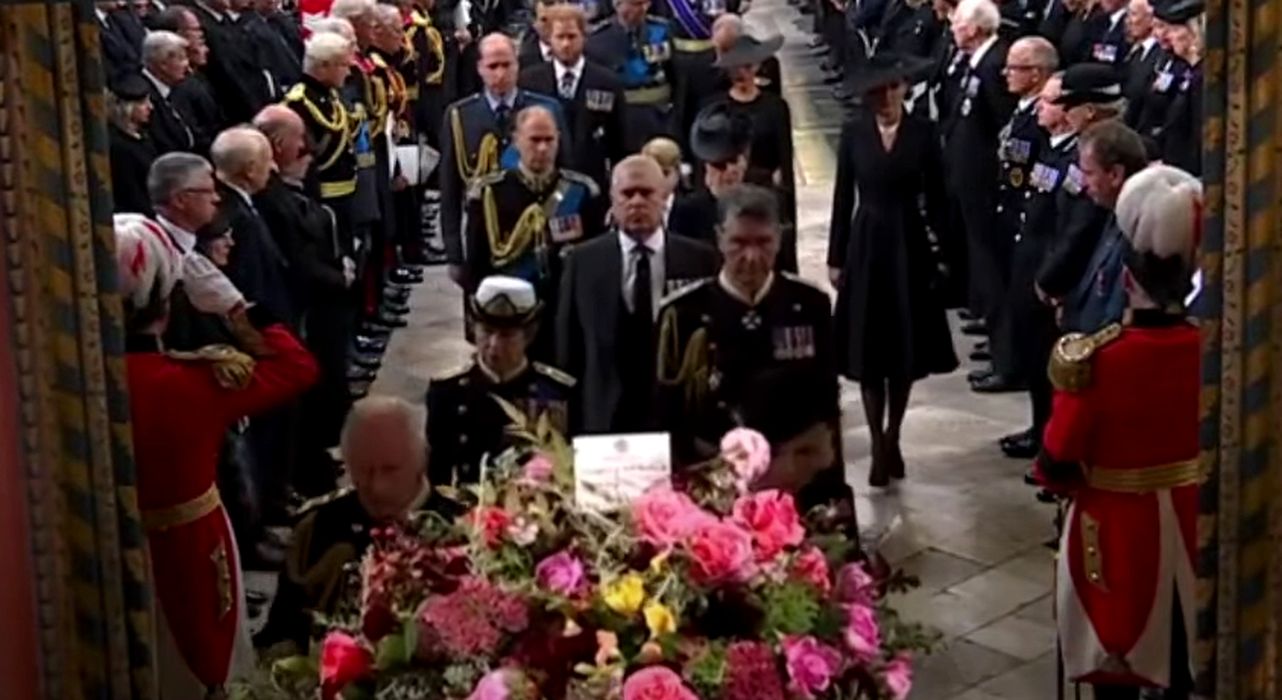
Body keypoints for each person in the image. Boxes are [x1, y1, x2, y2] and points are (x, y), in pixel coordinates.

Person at [116, 213, 317, 698]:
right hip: (192, 541)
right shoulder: (191, 382)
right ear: (166, 303)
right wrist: (236, 306)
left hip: (106, 543)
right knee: (202, 664)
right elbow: (298, 367)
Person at [1034, 164, 1201, 700]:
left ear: (1127, 278)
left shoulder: (1098, 361)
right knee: (1182, 658)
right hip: (1194, 522)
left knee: (1116, 666)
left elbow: (1057, 461)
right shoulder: (1212, 351)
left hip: (1114, 536)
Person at [827, 52, 957, 486]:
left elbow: (938, 197)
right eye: (877, 92)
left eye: (892, 88)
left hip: (908, 242)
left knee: (902, 347)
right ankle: (878, 444)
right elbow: (843, 196)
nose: (884, 98)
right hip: (866, 241)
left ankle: (893, 434)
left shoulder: (924, 133)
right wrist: (836, 256)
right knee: (870, 350)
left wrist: (944, 255)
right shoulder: (853, 132)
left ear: (905, 88)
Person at [656, 184, 834, 466]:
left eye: (763, 242)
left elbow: (826, 404)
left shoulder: (810, 304)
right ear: (719, 238)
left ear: (779, 239)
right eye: (739, 242)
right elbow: (669, 412)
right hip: (712, 471)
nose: (751, 257)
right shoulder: (683, 313)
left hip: (793, 470)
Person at [256, 396, 451, 652]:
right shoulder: (319, 527)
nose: (377, 487)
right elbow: (281, 631)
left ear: (421, 461)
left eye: (390, 469)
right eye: (364, 471)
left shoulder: (462, 530)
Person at [556, 156, 718, 433]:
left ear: (664, 197)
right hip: (604, 423)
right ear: (612, 198)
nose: (637, 202)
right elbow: (567, 351)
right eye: (627, 194)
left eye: (646, 193)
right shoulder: (582, 262)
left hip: (680, 423)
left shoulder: (701, 259)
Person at [464, 106, 606, 360]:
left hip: (564, 310)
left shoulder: (583, 191)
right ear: (517, 140)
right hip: (509, 314)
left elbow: (596, 260)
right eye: (534, 140)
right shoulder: (489, 192)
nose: (542, 148)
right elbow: (476, 265)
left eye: (549, 140)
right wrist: (475, 324)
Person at [440, 33, 567, 283]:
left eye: (507, 65)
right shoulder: (460, 116)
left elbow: (566, 172)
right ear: (479, 68)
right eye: (493, 66)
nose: (500, 73)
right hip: (483, 236)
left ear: (517, 65)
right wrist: (453, 252)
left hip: (536, 233)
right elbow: (450, 189)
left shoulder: (545, 110)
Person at [427, 276, 577, 487]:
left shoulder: (558, 391)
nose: (494, 344)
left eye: (507, 335)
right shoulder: (447, 391)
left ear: (529, 335)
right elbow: (437, 473)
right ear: (473, 328)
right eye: (486, 331)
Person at [974, 35, 1055, 393]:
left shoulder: (1039, 118)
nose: (1006, 73)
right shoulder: (1022, 110)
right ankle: (1006, 355)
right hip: (1006, 210)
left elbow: (1037, 170)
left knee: (1019, 300)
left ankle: (1013, 366)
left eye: (1015, 68)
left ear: (1036, 74)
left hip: (1023, 217)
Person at [941, 0, 1015, 326]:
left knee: (986, 248)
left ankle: (993, 317)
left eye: (957, 22)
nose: (952, 27)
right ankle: (980, 305)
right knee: (974, 245)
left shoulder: (994, 64)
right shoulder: (976, 61)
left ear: (973, 28)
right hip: (966, 169)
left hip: (983, 175)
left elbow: (1003, 124)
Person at [700, 32, 797, 262]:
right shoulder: (714, 107)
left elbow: (785, 163)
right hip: (726, 194)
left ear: (757, 67)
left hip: (765, 194)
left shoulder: (775, 107)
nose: (741, 73)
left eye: (747, 67)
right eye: (735, 68)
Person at [1051, 117, 1149, 335]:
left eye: (1088, 173)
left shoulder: (1138, 229)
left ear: (1115, 174)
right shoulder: (1111, 213)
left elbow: (1116, 314)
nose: (1083, 183)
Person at [519, 4, 629, 193]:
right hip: (544, 189)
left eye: (571, 37)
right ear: (549, 39)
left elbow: (620, 143)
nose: (566, 44)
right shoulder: (529, 82)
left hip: (593, 189)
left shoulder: (607, 82)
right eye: (560, 37)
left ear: (584, 37)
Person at [213, 127, 296, 326]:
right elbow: (253, 281)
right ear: (250, 170)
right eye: (268, 160)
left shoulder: (236, 204)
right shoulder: (236, 218)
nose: (273, 167)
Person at [585, 0, 678, 151]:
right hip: (624, 118)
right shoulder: (597, 40)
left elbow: (676, 74)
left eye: (645, 4)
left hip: (661, 115)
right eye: (635, 4)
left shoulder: (662, 31)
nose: (642, 9)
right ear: (617, 4)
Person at [668, 102, 752, 248]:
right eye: (720, 165)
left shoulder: (767, 204)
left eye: (734, 160)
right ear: (706, 166)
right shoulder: (686, 212)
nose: (731, 170)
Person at [1156, 0, 1203, 175]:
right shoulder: (1189, 73)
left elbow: (1197, 135)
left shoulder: (1201, 78)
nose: (1169, 36)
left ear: (1195, 34)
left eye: (1176, 30)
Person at [107, 73, 159, 216]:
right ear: (126, 107)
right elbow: (132, 194)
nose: (150, 107)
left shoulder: (143, 135)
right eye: (142, 103)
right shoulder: (119, 147)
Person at [140, 30, 197, 155]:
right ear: (163, 64)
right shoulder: (144, 95)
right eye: (181, 59)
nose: (187, 65)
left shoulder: (175, 88)